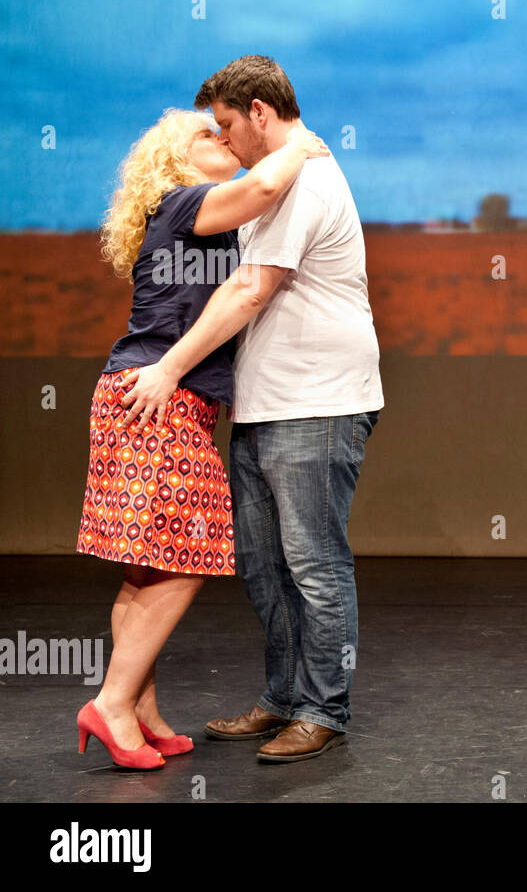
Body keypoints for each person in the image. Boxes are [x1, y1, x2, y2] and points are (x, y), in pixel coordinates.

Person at [122, 55, 384, 763]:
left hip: (318, 401)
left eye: (230, 125)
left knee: (313, 560)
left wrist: (169, 367)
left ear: (261, 114)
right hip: (267, 403)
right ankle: (282, 696)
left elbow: (247, 291)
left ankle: (323, 708)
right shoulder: (273, 181)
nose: (227, 142)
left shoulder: (306, 179)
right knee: (264, 563)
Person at [76, 108, 329, 769]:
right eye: (206, 135)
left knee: (148, 564)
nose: (222, 139)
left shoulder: (199, 218)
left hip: (152, 400)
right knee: (189, 553)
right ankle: (109, 702)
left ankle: (137, 705)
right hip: (154, 399)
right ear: (177, 161)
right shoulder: (183, 202)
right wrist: (299, 143)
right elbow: (265, 187)